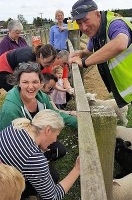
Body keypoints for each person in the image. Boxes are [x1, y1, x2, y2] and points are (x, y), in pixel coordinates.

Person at [0, 109, 80, 200]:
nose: (55, 140)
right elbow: (53, 197)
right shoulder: (34, 159)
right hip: (4, 190)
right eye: (56, 135)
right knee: (53, 177)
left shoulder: (17, 126)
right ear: (48, 130)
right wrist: (77, 169)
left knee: (51, 174)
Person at [69, 0, 132, 108]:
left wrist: (84, 63)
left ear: (97, 15)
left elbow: (120, 43)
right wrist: (82, 53)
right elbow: (90, 51)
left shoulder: (115, 24)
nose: (83, 27)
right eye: (79, 23)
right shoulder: (96, 32)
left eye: (86, 20)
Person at [0, 62, 77, 130]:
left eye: (35, 82)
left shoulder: (42, 97)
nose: (30, 86)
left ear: (40, 83)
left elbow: (54, 114)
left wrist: (77, 122)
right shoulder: (10, 110)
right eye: (25, 82)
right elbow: (8, 140)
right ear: (18, 83)